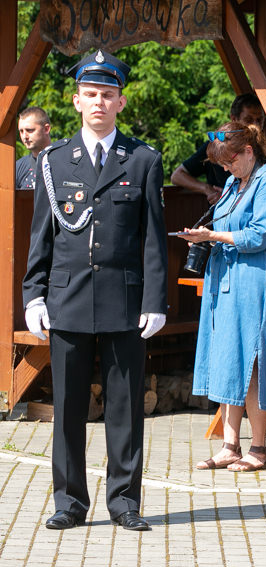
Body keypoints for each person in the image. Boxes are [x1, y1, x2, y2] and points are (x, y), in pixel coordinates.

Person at [22, 50, 168, 531]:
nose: (99, 102)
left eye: (108, 95)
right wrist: (34, 295)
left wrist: (155, 301)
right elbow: (41, 234)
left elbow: (151, 237)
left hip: (124, 300)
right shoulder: (54, 160)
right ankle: (69, 502)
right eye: (91, 95)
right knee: (66, 409)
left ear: (121, 103)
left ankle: (124, 502)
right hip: (66, 299)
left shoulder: (143, 160)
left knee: (125, 409)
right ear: (76, 101)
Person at [181, 122, 266, 472]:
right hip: (224, 274)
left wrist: (214, 235)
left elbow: (259, 235)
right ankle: (230, 445)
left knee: (251, 358)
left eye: (230, 161)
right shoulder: (231, 182)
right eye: (223, 164)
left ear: (249, 152)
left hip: (252, 277)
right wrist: (203, 236)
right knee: (224, 355)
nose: (226, 168)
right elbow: (225, 224)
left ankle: (259, 448)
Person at [170, 94, 265, 204]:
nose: (255, 125)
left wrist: (230, 197)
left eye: (259, 120)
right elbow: (177, 176)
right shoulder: (217, 147)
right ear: (234, 119)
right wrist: (207, 189)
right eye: (248, 120)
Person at [16, 106, 52, 189]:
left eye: (30, 130)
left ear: (46, 129)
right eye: (21, 131)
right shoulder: (18, 167)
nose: (25, 136)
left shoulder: (64, 161)